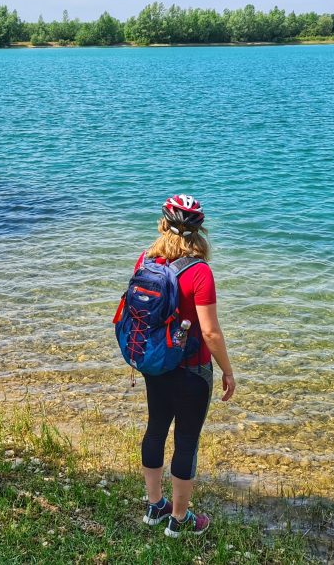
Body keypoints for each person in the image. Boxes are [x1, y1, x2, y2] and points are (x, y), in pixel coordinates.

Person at [137, 194, 236, 538]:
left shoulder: (145, 261)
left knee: (155, 428)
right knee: (187, 441)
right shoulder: (200, 272)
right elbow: (209, 332)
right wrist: (228, 370)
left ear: (163, 224)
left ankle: (155, 505)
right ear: (200, 231)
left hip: (155, 364)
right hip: (192, 370)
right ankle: (179, 521)